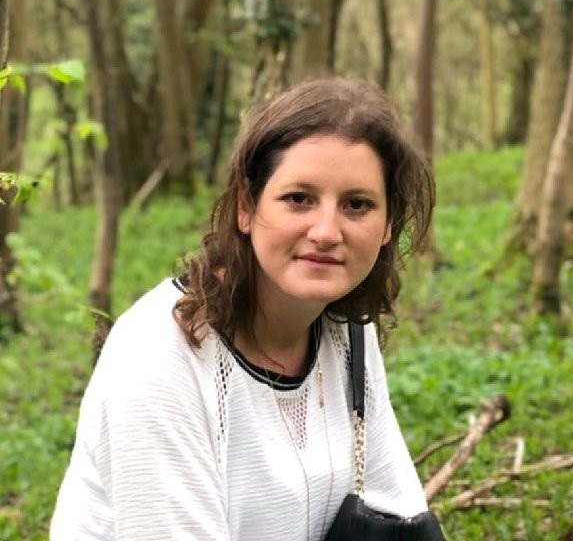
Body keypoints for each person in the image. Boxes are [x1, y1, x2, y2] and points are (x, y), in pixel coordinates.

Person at [50, 77, 434, 541]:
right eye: (299, 199)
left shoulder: (347, 328)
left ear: (388, 225)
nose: (326, 232)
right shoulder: (159, 358)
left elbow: (399, 512)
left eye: (357, 205)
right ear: (246, 208)